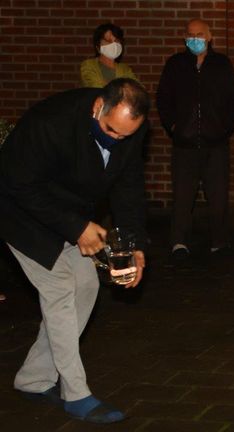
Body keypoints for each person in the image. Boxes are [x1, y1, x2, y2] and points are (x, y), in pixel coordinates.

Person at [0, 78, 150, 423]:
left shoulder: (130, 128)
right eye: (112, 131)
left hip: (70, 214)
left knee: (87, 286)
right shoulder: (51, 123)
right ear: (99, 106)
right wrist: (77, 228)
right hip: (20, 213)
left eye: (126, 136)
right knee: (60, 290)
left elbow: (128, 187)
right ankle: (75, 392)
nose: (117, 140)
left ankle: (34, 379)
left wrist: (137, 244)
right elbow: (20, 185)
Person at [156, 18, 234, 264]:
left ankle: (220, 242)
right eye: (190, 34)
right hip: (184, 144)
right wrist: (173, 126)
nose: (195, 38)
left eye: (199, 34)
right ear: (185, 38)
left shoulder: (222, 64)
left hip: (216, 144)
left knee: (218, 196)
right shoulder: (175, 64)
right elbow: (164, 98)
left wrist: (224, 129)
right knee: (183, 196)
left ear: (209, 36)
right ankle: (179, 243)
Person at [80, 23, 138, 88]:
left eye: (116, 41)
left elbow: (138, 90)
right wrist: (124, 88)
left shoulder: (125, 69)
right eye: (108, 41)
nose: (114, 45)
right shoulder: (89, 65)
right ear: (98, 47)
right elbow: (96, 88)